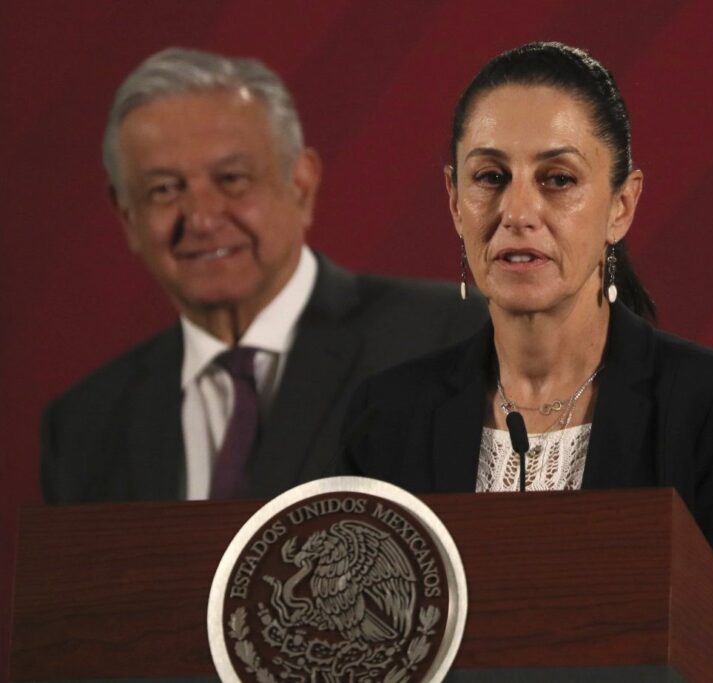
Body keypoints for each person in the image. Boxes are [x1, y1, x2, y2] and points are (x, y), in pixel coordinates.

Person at [341, 42, 713, 672]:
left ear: (621, 205)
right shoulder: (386, 415)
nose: (517, 212)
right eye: (490, 177)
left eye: (557, 180)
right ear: (453, 199)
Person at [41, 48, 487, 504]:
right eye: (164, 190)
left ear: (301, 183)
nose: (201, 217)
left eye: (231, 178)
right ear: (126, 216)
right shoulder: (84, 426)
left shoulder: (459, 336)